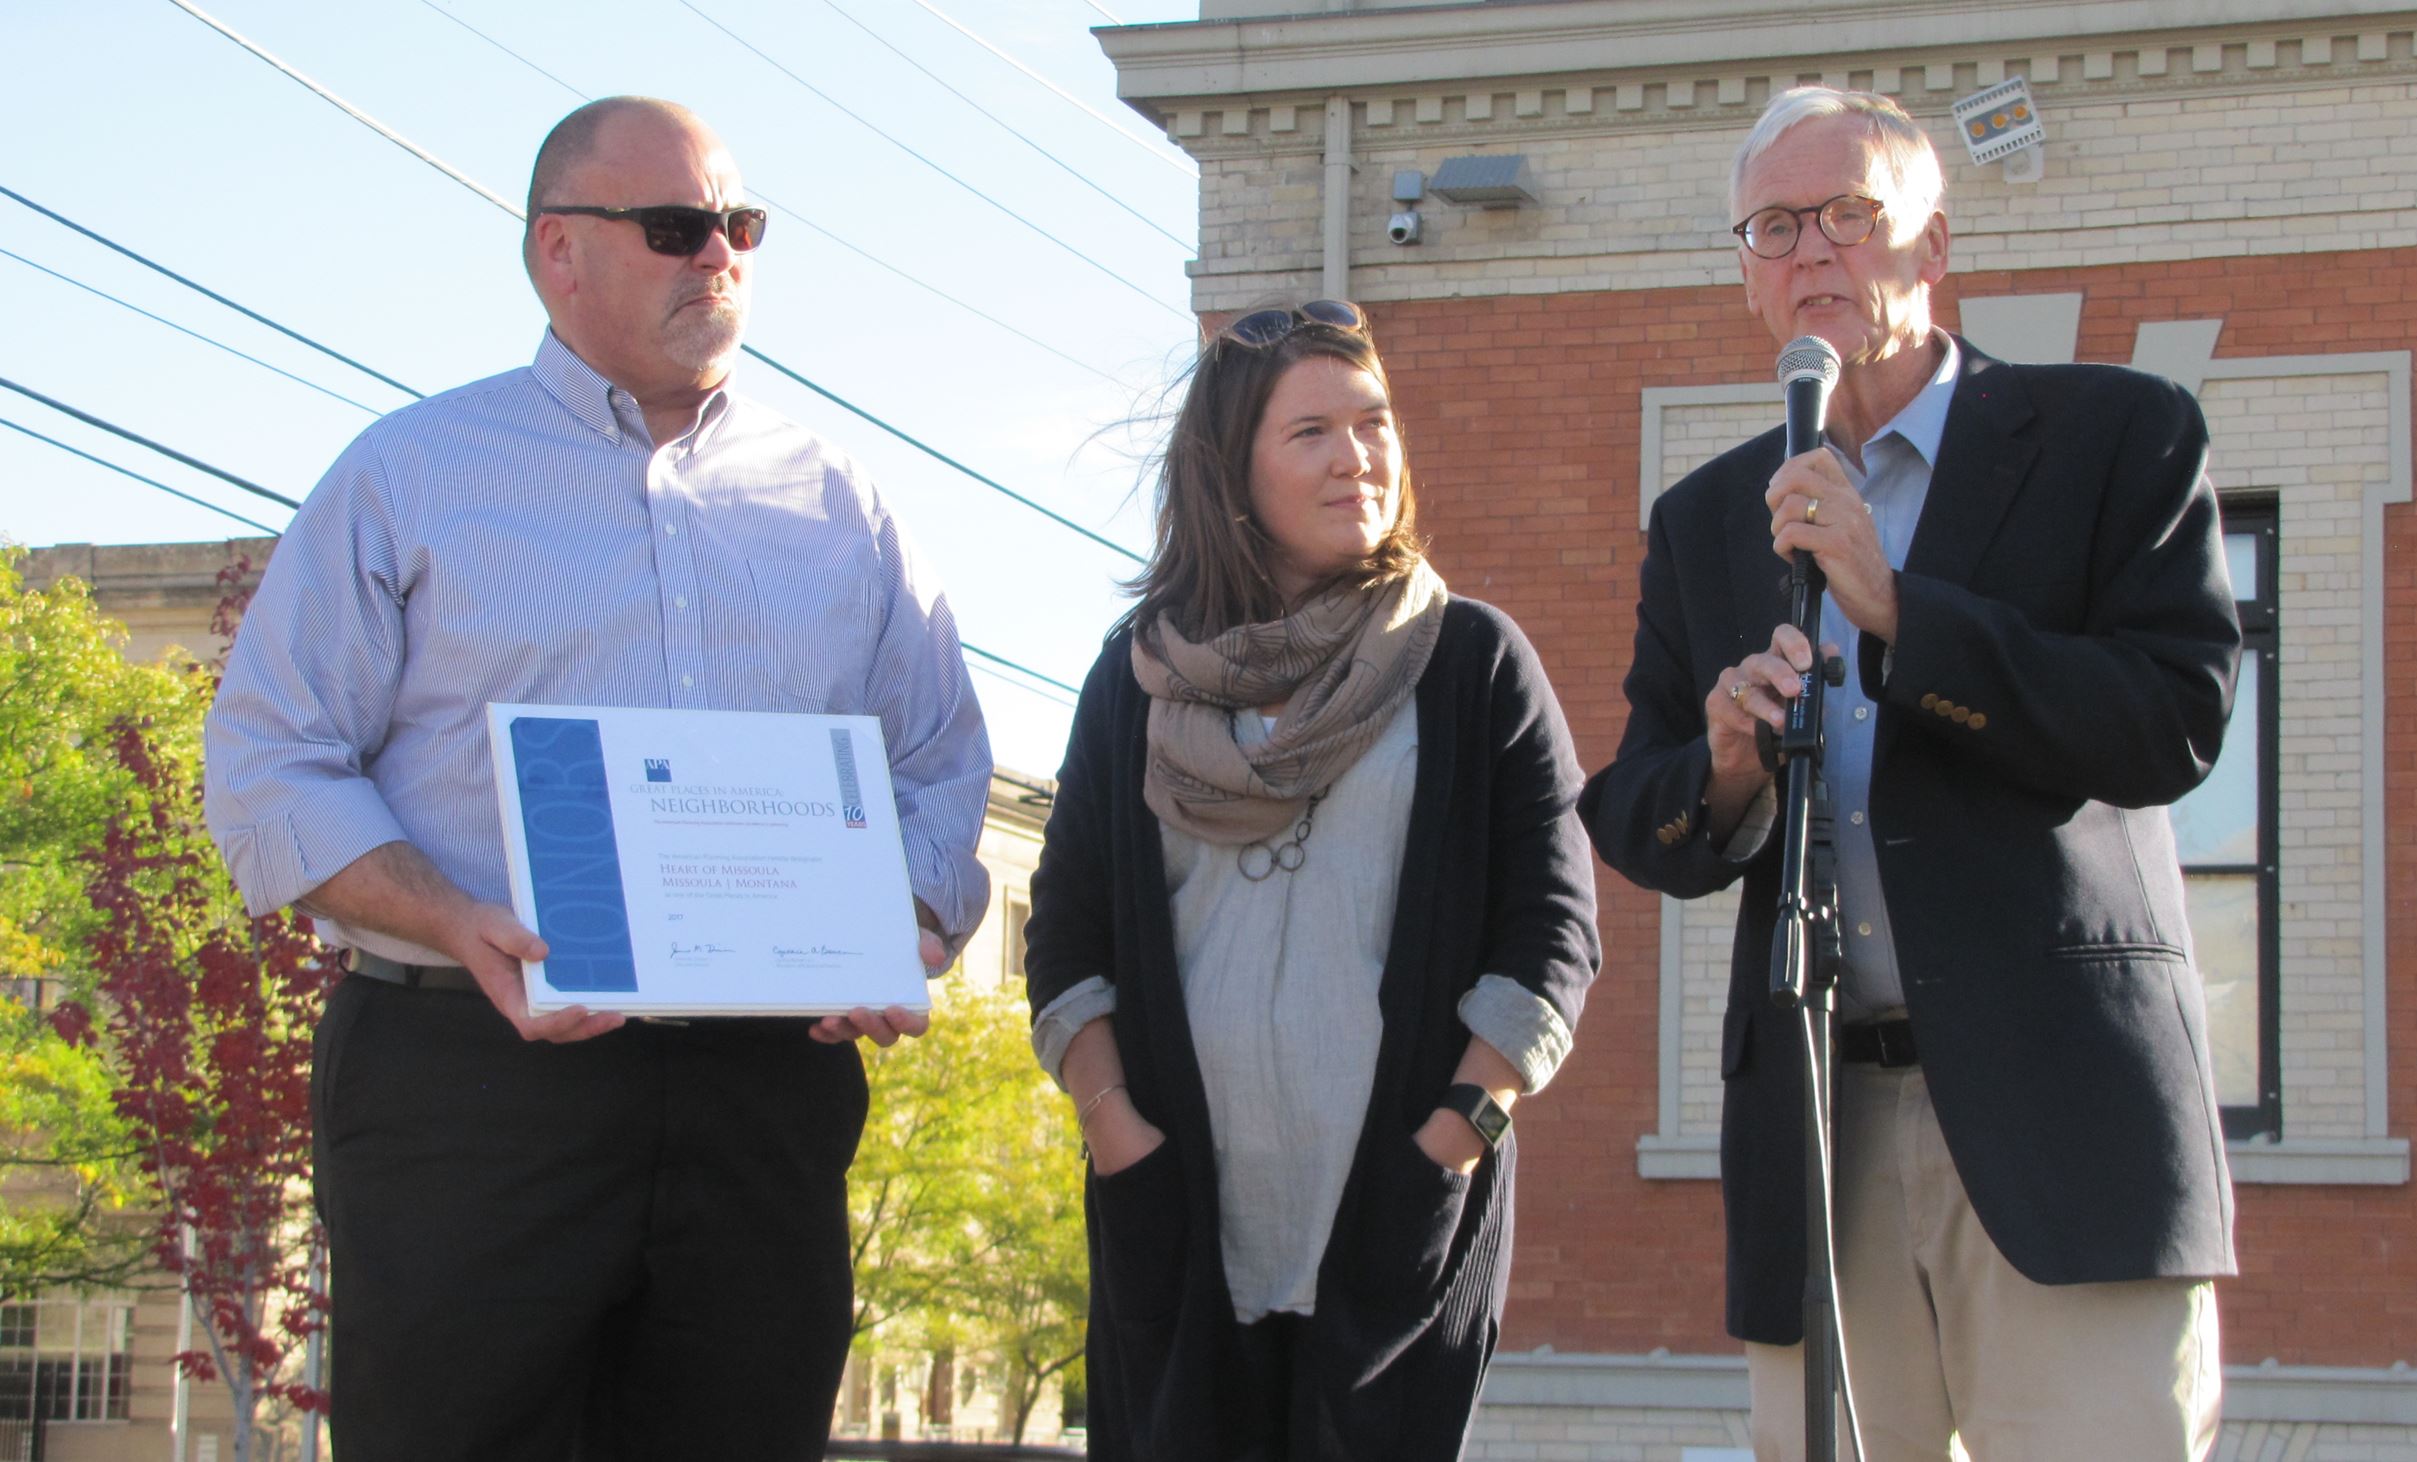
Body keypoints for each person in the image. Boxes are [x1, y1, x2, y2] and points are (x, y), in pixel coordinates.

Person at [202, 96, 990, 1461]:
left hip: (765, 1094)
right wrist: (459, 920)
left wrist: (905, 921)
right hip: (472, 1080)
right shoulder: (410, 475)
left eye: (742, 227)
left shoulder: (842, 497)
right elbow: (272, 756)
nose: (722, 261)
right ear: (559, 252)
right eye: (679, 229)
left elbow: (934, 758)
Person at [1579, 87, 2241, 1460]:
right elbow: (1638, 811)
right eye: (1775, 225)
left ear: (1931, 248)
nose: (1810, 249)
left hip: (2063, 1128)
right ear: (1748, 276)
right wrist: (1726, 760)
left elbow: (2173, 718)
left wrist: (1901, 615)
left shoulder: (2118, 436)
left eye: (1849, 216)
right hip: (1821, 1127)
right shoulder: (1708, 516)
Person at [1023, 298, 1600, 1460]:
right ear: (1229, 470)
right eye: (1312, 433)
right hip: (1176, 1211)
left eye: (1374, 422)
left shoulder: (1470, 662)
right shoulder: (1134, 683)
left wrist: (1454, 1134)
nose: (1359, 457)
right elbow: (1067, 929)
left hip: (1397, 1211)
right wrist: (1112, 1127)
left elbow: (1551, 931)